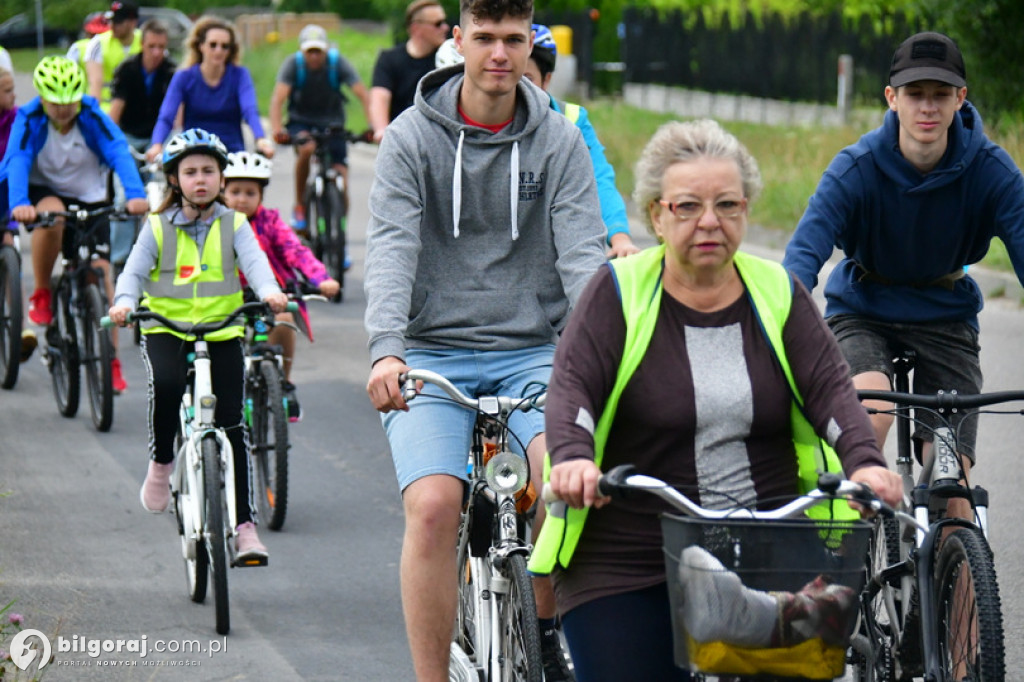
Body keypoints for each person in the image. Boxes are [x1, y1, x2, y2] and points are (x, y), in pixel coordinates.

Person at [529, 119, 903, 681]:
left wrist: (866, 465)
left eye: (727, 205)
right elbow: (573, 388)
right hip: (628, 554)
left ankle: (752, 610)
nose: (710, 222)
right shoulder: (618, 291)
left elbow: (830, 389)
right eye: (687, 207)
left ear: (747, 210)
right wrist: (575, 457)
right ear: (656, 215)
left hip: (765, 540)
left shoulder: (776, 291)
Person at [363, 0, 607, 678]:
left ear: (530, 45)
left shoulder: (559, 139)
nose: (499, 54)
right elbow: (391, 248)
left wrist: (606, 358)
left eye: (512, 40)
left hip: (534, 349)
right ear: (459, 40)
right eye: (484, 38)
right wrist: (386, 348)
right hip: (431, 352)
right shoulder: (412, 138)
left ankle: (545, 635)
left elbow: (584, 256)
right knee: (437, 507)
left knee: (563, 488)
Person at [781, 31, 1024, 522]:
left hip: (946, 315)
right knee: (873, 413)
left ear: (961, 98)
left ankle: (957, 578)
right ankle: (852, 563)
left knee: (952, 485)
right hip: (863, 310)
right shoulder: (857, 168)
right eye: (915, 94)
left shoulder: (991, 170)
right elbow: (803, 258)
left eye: (940, 95)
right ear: (892, 99)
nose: (927, 108)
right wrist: (775, 322)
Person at [107, 128, 287, 561]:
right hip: (165, 327)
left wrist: (270, 292)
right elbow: (132, 273)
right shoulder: (155, 226)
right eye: (190, 172)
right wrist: (125, 302)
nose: (201, 179)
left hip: (222, 329)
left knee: (230, 423)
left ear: (222, 178)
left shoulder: (234, 224)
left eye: (209, 170)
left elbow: (256, 264)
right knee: (167, 385)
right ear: (174, 179)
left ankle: (244, 527)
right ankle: (161, 464)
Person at [0, 56, 149, 394]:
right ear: (42, 97)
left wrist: (136, 195)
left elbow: (118, 151)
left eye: (70, 102)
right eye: (56, 102)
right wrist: (20, 203)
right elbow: (19, 159)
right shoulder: (29, 117)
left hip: (91, 195)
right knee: (53, 220)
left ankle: (110, 361)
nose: (64, 109)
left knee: (102, 273)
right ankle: (41, 292)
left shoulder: (92, 114)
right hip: (45, 190)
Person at [222, 150, 341, 421]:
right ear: (222, 192)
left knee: (285, 317)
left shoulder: (270, 222)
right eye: (235, 191)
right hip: (225, 298)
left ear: (261, 196)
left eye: (250, 193)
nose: (242, 199)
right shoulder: (215, 224)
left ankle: (284, 384)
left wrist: (321, 279)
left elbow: (295, 250)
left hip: (267, 296)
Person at [525, 24, 639, 259]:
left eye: (527, 79)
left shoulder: (572, 119)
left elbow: (598, 178)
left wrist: (620, 238)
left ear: (546, 81)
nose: (517, 89)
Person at [268, 24, 371, 232]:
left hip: (332, 123)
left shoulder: (337, 64)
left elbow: (363, 95)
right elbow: (278, 100)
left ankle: (340, 234)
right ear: (302, 51)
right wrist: (278, 130)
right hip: (301, 121)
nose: (314, 56)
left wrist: (372, 127)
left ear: (326, 50)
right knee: (306, 149)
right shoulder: (293, 66)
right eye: (310, 51)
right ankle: (299, 205)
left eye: (318, 51)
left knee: (341, 177)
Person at [147, 17, 273, 160]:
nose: (218, 50)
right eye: (213, 45)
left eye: (224, 46)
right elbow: (167, 116)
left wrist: (260, 138)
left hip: (231, 155)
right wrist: (157, 144)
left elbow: (250, 111)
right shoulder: (184, 77)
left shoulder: (240, 75)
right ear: (201, 46)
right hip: (194, 153)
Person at [107, 19, 177, 269]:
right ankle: (119, 259)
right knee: (123, 197)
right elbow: (115, 112)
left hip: (160, 138)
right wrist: (113, 146)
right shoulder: (127, 69)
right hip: (130, 138)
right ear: (142, 44)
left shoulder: (171, 72)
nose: (157, 52)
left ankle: (165, 254)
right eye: (151, 46)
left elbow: (177, 113)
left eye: (161, 47)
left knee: (168, 194)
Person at [368, 0, 449, 143]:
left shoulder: (447, 61)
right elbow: (379, 97)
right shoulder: (389, 60)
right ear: (416, 28)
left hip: (438, 141)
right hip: (400, 141)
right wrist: (381, 130)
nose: (445, 27)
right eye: (438, 23)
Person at [0, 65, 36, 362]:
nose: (15, 95)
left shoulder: (18, 118)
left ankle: (21, 327)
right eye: (9, 90)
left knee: (11, 249)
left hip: (6, 198)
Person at [84, 1, 141, 112]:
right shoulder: (99, 44)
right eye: (111, 21)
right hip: (107, 110)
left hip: (138, 111)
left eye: (118, 22)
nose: (112, 26)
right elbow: (95, 85)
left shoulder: (145, 41)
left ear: (133, 22)